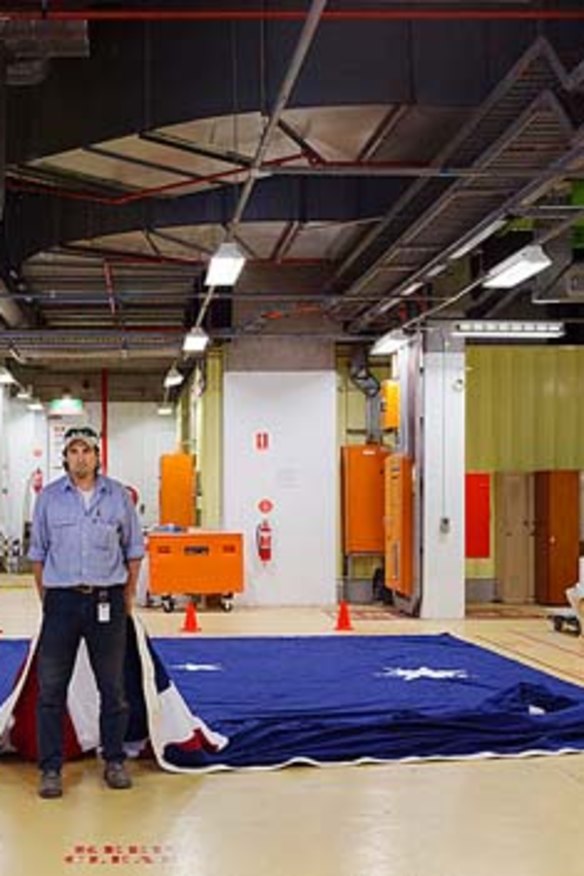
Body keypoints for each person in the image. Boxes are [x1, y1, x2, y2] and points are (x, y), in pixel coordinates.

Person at [28, 425, 144, 799]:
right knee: (51, 690)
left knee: (112, 687)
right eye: (73, 451)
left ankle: (113, 761)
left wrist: (126, 598)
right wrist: (49, 600)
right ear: (66, 457)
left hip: (106, 601)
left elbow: (134, 550)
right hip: (61, 602)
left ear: (97, 456)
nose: (80, 457)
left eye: (87, 450)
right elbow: (38, 555)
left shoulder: (118, 498)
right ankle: (50, 768)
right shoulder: (48, 499)